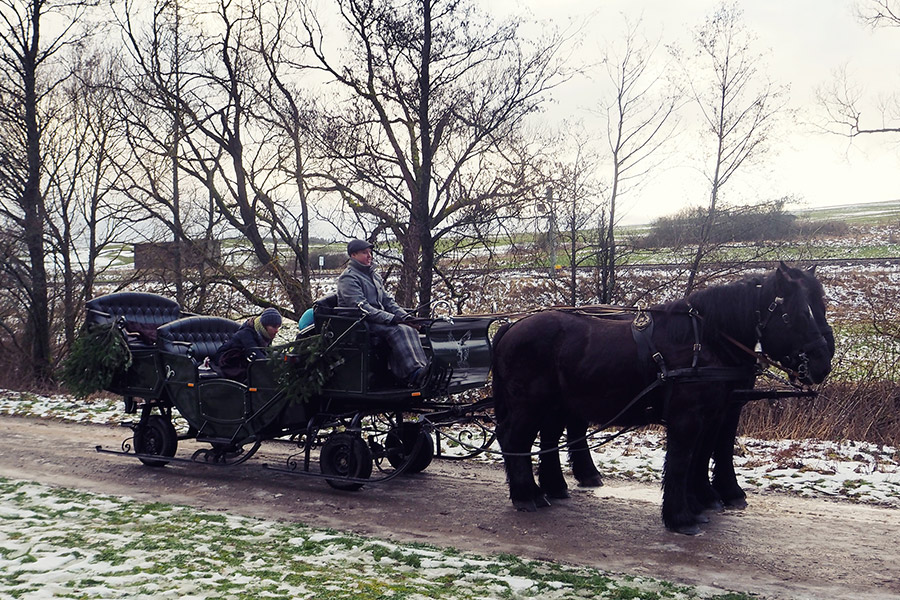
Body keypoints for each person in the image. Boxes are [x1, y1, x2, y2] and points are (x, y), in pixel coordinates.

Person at [337, 239, 429, 387]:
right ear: (353, 255)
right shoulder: (348, 278)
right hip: (359, 324)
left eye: (370, 252)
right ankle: (414, 374)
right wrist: (391, 318)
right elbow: (362, 307)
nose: (369, 256)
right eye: (364, 253)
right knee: (398, 330)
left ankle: (422, 370)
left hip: (375, 320)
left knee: (408, 328)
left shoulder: (374, 276)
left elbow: (388, 302)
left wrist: (406, 318)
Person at [210, 307, 282, 380]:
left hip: (243, 361)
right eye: (274, 327)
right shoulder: (246, 334)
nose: (277, 330)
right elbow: (257, 356)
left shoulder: (265, 335)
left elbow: (268, 353)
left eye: (278, 327)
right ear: (264, 325)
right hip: (226, 360)